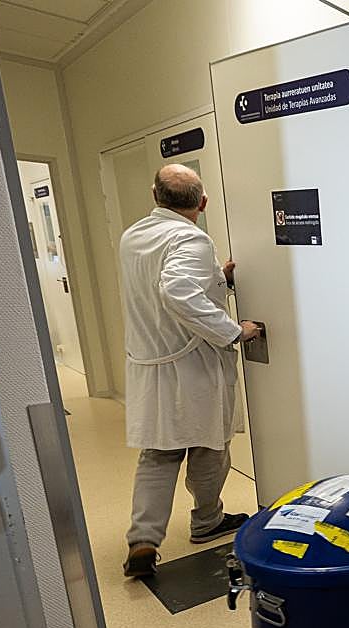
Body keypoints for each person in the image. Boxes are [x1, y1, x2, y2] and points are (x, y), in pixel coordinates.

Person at [120, 164, 261, 578]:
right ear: (201, 203)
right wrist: (233, 331)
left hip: (150, 364)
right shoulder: (192, 238)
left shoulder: (134, 236)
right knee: (209, 447)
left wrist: (218, 278)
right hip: (192, 365)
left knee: (158, 456)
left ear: (154, 196)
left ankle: (143, 539)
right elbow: (176, 289)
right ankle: (206, 520)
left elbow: (160, 283)